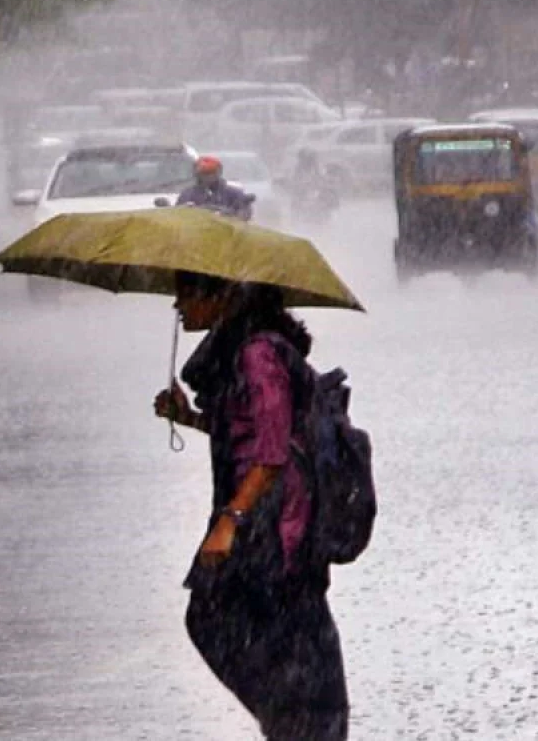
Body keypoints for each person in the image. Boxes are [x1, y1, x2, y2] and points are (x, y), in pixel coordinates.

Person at [155, 272, 349, 739]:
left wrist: (231, 520)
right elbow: (246, 433)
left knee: (223, 616)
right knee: (276, 629)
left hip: (275, 523)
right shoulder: (243, 352)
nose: (178, 306)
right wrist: (189, 418)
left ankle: (294, 721)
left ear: (221, 296)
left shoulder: (258, 355)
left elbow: (272, 450)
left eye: (187, 293)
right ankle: (291, 720)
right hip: (266, 518)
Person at [177, 156, 255, 220]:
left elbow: (244, 214)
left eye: (211, 172)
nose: (208, 177)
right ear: (197, 174)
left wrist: (232, 215)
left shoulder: (234, 194)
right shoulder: (187, 194)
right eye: (204, 173)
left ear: (219, 172)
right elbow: (177, 216)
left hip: (227, 236)